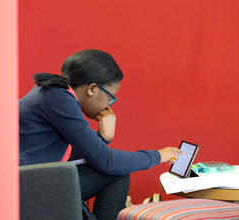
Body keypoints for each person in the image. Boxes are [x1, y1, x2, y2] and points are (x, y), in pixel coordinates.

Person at [19, 49, 182, 220]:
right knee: (116, 173)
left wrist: (103, 137)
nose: (108, 105)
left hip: (34, 182)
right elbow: (107, 161)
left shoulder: (52, 93)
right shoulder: (59, 98)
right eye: (110, 97)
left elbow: (77, 154)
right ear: (92, 89)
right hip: (32, 189)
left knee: (113, 173)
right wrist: (159, 155)